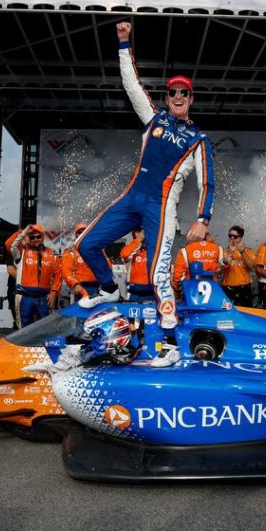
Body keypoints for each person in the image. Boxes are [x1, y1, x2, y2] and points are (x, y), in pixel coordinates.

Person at [75, 21, 216, 368]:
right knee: (85, 245)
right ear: (167, 99)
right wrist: (124, 43)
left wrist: (202, 218)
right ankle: (108, 288)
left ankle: (169, 345)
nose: (178, 98)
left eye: (184, 93)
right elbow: (131, 84)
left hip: (161, 210)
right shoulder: (153, 119)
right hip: (132, 198)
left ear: (191, 99)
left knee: (158, 276)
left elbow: (207, 183)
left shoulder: (199, 140)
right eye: (173, 93)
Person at [8, 224, 62, 327]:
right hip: (24, 297)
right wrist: (24, 232)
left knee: (44, 329)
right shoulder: (22, 252)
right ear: (29, 238)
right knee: (23, 330)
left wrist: (54, 292)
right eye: (32, 237)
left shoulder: (53, 254)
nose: (36, 239)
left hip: (43, 298)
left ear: (43, 237)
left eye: (38, 237)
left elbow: (58, 274)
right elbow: (10, 245)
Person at [62, 222, 108, 301]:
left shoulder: (98, 250)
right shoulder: (70, 252)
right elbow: (66, 273)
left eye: (84, 232)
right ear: (76, 235)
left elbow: (107, 267)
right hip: (80, 289)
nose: (81, 234)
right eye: (79, 232)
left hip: (98, 288)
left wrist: (105, 285)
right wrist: (78, 287)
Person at [220, 225, 255, 307]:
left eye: (235, 236)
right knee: (227, 314)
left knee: (246, 314)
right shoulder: (223, 251)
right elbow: (218, 271)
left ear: (240, 238)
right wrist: (225, 261)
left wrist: (242, 252)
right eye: (230, 236)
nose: (232, 238)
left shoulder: (248, 251)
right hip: (227, 289)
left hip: (243, 289)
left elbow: (253, 268)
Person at [119, 228, 153, 301]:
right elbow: (125, 255)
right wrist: (138, 240)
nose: (142, 234)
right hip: (135, 291)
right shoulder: (133, 248)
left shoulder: (154, 249)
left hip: (151, 291)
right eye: (139, 231)